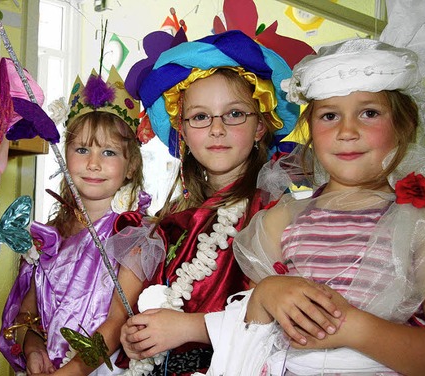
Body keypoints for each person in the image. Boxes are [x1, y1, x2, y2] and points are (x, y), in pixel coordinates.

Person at [208, 9, 425, 375]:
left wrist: (352, 327)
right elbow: (249, 337)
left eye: (368, 113)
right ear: (310, 130)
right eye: (329, 115)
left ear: (404, 125)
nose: (346, 131)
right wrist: (266, 292)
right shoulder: (281, 219)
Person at [117, 30, 303, 375]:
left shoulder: (277, 215)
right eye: (201, 117)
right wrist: (136, 338)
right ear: (183, 130)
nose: (217, 129)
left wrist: (189, 328)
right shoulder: (170, 221)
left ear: (261, 125)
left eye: (234, 114)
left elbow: (286, 323)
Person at [0, 67, 155, 375]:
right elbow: (28, 312)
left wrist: (75, 370)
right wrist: (33, 347)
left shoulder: (137, 235)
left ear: (132, 165)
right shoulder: (48, 235)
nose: (93, 163)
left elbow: (116, 321)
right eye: (82, 149)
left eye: (108, 152)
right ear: (65, 155)